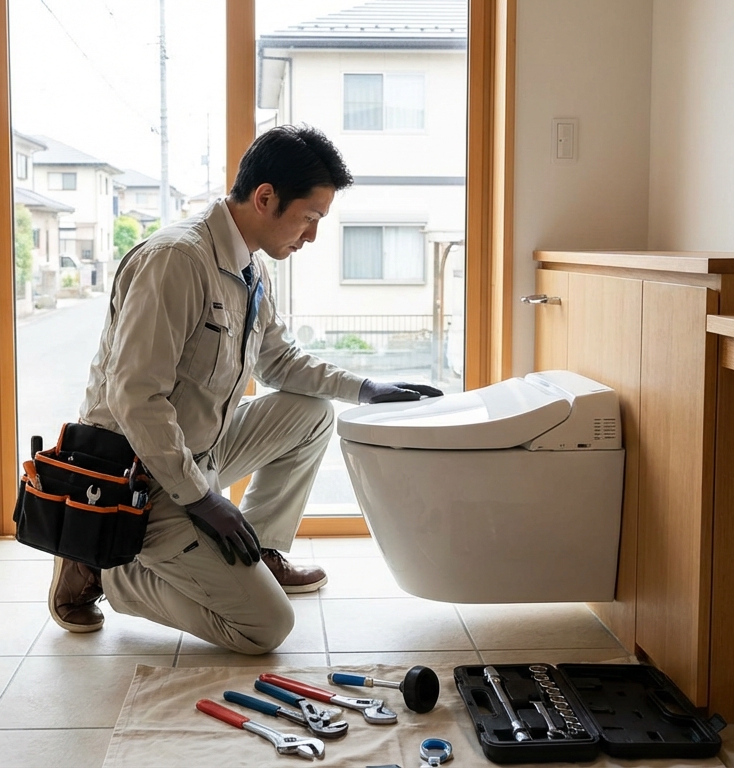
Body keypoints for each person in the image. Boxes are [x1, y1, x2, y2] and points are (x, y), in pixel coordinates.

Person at [47, 124, 442, 654]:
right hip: (141, 474)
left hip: (200, 450)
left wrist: (367, 388)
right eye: (310, 218)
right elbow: (135, 398)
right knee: (264, 628)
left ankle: (261, 550)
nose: (312, 235)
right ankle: (111, 569)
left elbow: (280, 362)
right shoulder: (175, 262)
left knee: (312, 413)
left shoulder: (250, 268)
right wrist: (202, 498)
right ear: (265, 198)